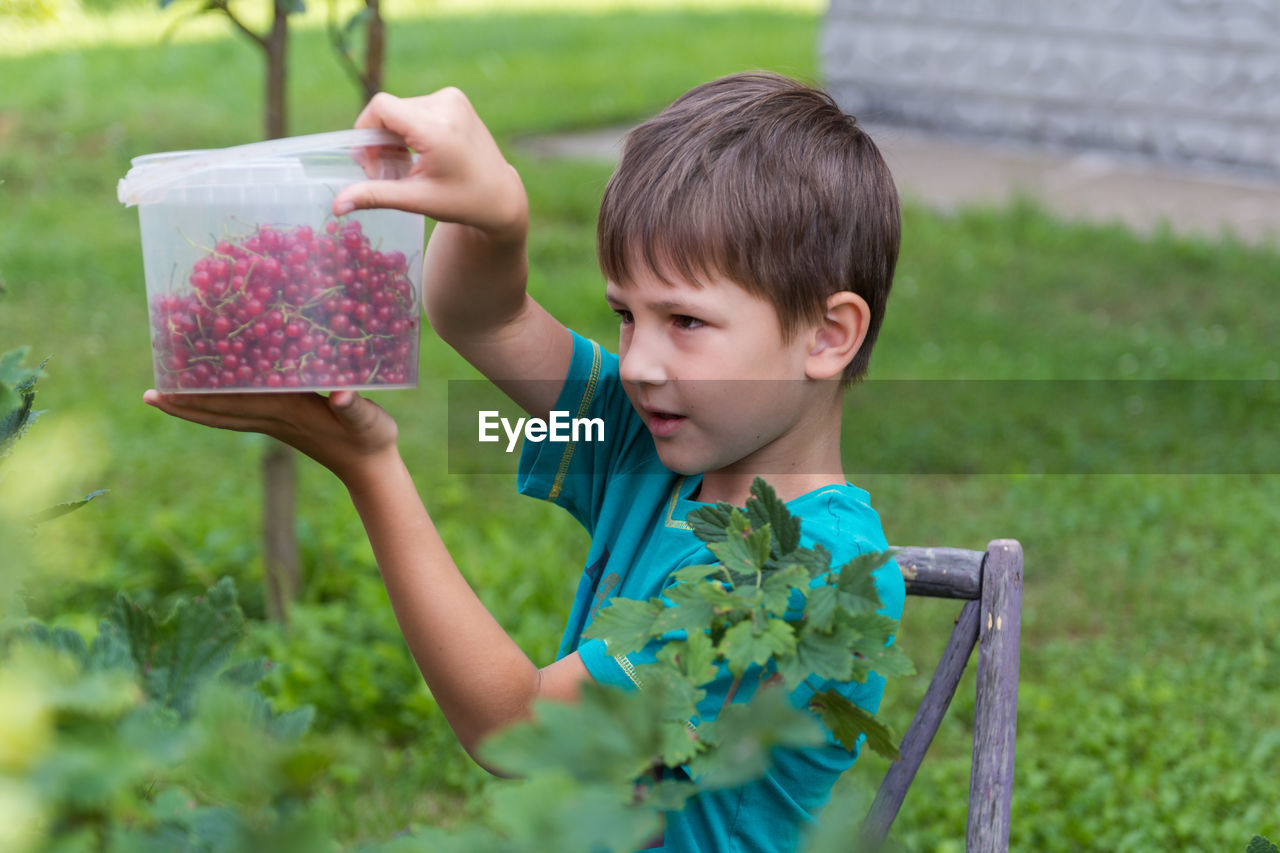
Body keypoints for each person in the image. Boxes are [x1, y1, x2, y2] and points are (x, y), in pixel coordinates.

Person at [145, 71, 905, 852]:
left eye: (683, 320)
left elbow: (518, 726)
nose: (639, 362)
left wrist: (371, 469)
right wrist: (497, 215)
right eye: (625, 316)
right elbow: (481, 317)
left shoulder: (801, 567)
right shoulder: (659, 446)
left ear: (827, 335)